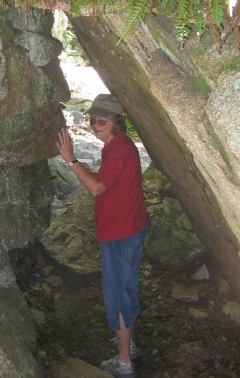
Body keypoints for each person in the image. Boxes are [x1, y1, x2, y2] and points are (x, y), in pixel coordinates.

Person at [56, 93, 149, 378]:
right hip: (131, 228)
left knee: (118, 296)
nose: (96, 125)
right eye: (93, 119)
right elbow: (107, 180)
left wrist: (71, 159)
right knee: (128, 289)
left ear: (116, 123)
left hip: (119, 235)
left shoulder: (119, 150)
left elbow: (97, 188)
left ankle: (123, 363)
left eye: (103, 121)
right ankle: (128, 344)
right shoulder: (118, 147)